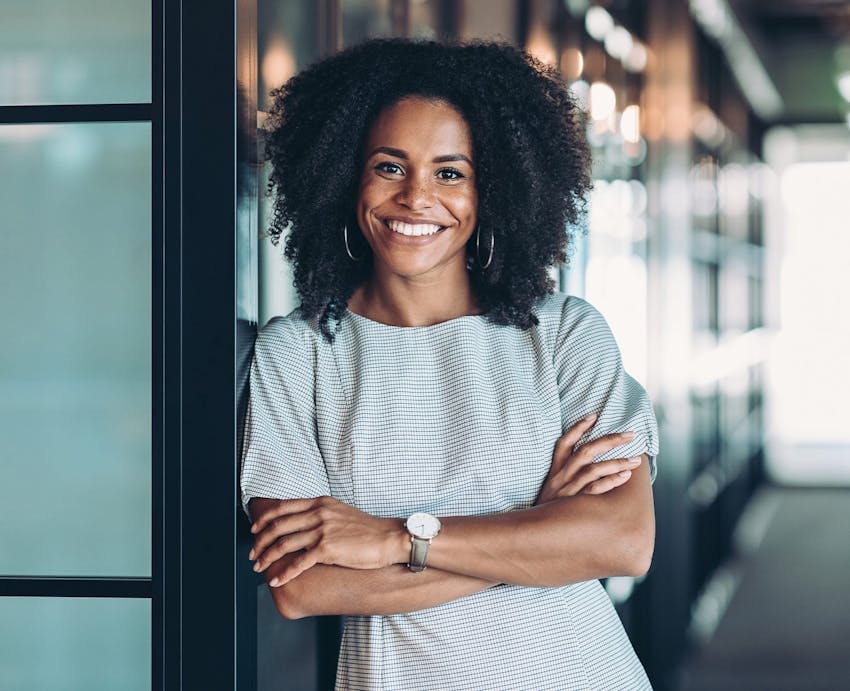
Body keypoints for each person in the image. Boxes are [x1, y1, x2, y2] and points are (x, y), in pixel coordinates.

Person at [240, 38, 660, 690]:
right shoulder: (297, 356)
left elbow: (624, 540)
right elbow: (304, 586)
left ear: (490, 189)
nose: (416, 196)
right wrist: (539, 532)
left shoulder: (564, 335)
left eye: (449, 172)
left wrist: (395, 540)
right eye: (388, 166)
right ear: (346, 175)